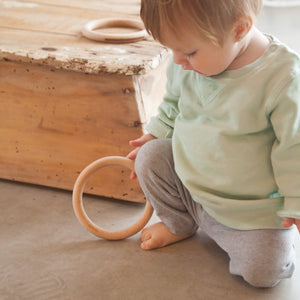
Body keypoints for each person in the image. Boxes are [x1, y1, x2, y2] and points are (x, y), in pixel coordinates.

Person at [127, 0, 300, 288]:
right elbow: (172, 102)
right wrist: (155, 134)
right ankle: (181, 223)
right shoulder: (187, 61)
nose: (178, 60)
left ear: (240, 30)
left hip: (250, 212)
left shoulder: (283, 77)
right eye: (173, 49)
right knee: (150, 157)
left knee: (264, 272)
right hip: (192, 189)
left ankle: (241, 238)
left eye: (189, 52)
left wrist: (296, 201)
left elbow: (294, 148)